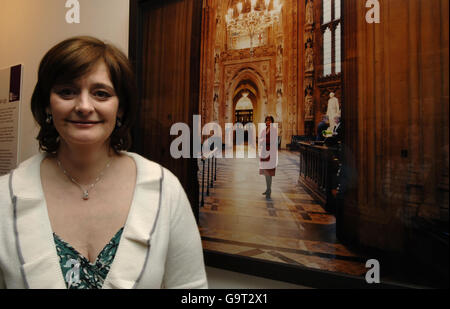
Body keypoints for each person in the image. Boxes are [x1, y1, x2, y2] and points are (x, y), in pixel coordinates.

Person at [0, 36, 207, 289]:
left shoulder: (164, 189)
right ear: (46, 104)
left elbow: (191, 288)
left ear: (120, 108)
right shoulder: (5, 197)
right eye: (67, 92)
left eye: (101, 93)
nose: (84, 106)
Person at [259, 115, 278, 200]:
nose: (268, 122)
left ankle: (269, 190)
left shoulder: (274, 130)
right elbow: (260, 139)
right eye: (266, 120)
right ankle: (268, 189)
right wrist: (262, 140)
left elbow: (272, 140)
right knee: (266, 172)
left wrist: (263, 140)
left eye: (269, 120)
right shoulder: (264, 130)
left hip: (271, 152)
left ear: (272, 121)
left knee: (269, 172)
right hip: (264, 152)